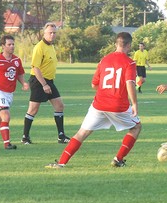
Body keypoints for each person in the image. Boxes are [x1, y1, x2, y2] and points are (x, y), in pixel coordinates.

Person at [45, 32, 142, 169]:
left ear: (116, 44)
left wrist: (106, 91)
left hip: (99, 104)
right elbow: (130, 83)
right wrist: (135, 104)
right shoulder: (130, 62)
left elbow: (94, 84)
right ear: (129, 45)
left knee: (82, 133)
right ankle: (118, 159)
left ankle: (61, 163)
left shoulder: (104, 60)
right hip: (118, 105)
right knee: (136, 127)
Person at [21, 22, 70, 145]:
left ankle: (61, 136)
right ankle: (25, 137)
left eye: (54, 33)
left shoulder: (51, 46)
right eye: (50, 32)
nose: (52, 35)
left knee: (59, 105)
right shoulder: (39, 47)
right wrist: (44, 84)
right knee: (33, 109)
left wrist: (48, 83)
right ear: (44, 33)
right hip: (38, 81)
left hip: (49, 81)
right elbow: (35, 68)